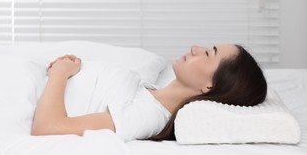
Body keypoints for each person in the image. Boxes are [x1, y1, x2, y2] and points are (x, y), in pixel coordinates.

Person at [31, 44, 267, 141]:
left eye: (208, 54)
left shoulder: (147, 116)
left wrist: (60, 74)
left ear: (209, 87)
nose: (196, 48)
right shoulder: (150, 93)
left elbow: (48, 127)